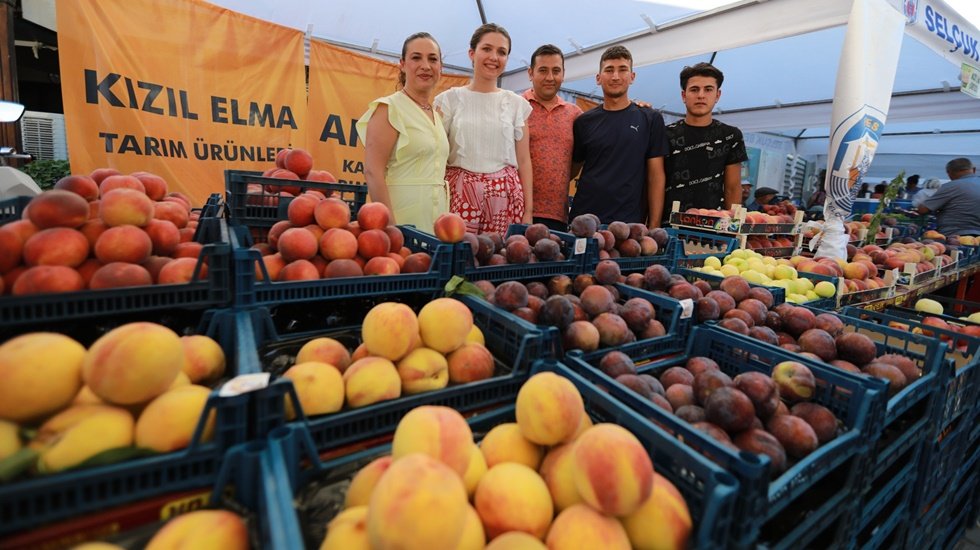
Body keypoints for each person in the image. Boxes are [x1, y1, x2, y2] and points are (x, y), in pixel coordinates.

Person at [434, 23, 532, 234]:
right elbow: (437, 156)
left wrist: (528, 212)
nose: (494, 57)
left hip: (505, 201)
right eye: (486, 49)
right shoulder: (448, 100)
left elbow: (524, 160)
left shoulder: (517, 104)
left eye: (501, 52)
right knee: (457, 262)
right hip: (458, 199)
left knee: (497, 261)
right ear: (472, 53)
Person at [357, 32, 450, 233]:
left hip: (436, 223)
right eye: (416, 58)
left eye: (433, 59)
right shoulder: (388, 108)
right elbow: (373, 172)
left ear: (440, 67)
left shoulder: (437, 115)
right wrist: (390, 229)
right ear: (402, 64)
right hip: (400, 223)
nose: (426, 65)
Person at [569, 45, 667, 227]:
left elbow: (656, 176)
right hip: (585, 222)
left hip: (628, 225)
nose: (615, 76)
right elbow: (570, 171)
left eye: (622, 70)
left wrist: (654, 225)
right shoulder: (583, 122)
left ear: (632, 77)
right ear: (598, 78)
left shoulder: (651, 119)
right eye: (609, 70)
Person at [659, 62, 747, 226]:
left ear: (717, 95)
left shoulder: (730, 136)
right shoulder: (664, 134)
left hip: (714, 227)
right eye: (694, 89)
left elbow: (733, 187)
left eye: (708, 89)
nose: (701, 95)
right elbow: (655, 182)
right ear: (684, 95)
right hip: (668, 227)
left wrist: (733, 227)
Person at [523, 44, 583, 232]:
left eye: (556, 71)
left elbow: (576, 162)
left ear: (563, 74)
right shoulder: (516, 106)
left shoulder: (575, 115)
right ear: (530, 73)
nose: (550, 77)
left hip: (558, 215)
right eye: (543, 70)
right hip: (519, 212)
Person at [917, 158, 980, 236]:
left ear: (949, 173)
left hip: (955, 235)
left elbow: (923, 210)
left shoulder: (952, 186)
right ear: (974, 169)